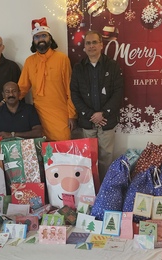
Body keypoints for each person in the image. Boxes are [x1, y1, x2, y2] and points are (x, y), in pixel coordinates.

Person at [70, 30, 124, 180]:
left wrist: (103, 113)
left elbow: (118, 92)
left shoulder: (112, 66)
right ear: (84, 47)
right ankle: (91, 190)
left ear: (101, 45)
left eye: (94, 42)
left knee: (106, 157)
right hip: (87, 122)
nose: (91, 46)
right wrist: (90, 114)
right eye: (88, 43)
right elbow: (75, 94)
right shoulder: (78, 68)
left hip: (107, 120)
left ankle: (106, 191)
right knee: (88, 157)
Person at [18, 17, 76, 141]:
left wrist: (72, 115)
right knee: (42, 151)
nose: (41, 39)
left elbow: (70, 88)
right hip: (37, 116)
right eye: (37, 37)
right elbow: (21, 88)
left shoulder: (62, 59)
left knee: (62, 148)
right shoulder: (29, 61)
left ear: (50, 38)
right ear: (33, 40)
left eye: (44, 35)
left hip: (60, 113)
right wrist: (4, 103)